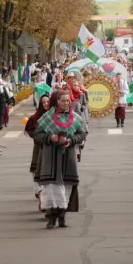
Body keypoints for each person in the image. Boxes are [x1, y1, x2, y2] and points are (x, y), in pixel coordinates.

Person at [34, 89, 86, 229]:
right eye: (63, 100)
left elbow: (82, 134)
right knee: (51, 188)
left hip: (67, 156)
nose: (66, 103)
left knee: (66, 187)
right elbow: (37, 135)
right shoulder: (47, 117)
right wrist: (50, 138)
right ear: (57, 101)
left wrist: (71, 140)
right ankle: (51, 217)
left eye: (68, 101)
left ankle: (62, 216)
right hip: (50, 157)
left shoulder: (75, 117)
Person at [25, 94, 51, 211]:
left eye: (48, 102)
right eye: (43, 102)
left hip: (51, 148)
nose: (46, 104)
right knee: (37, 172)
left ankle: (47, 199)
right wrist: (39, 134)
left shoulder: (54, 116)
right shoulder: (35, 118)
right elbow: (31, 132)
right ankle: (40, 194)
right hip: (39, 148)